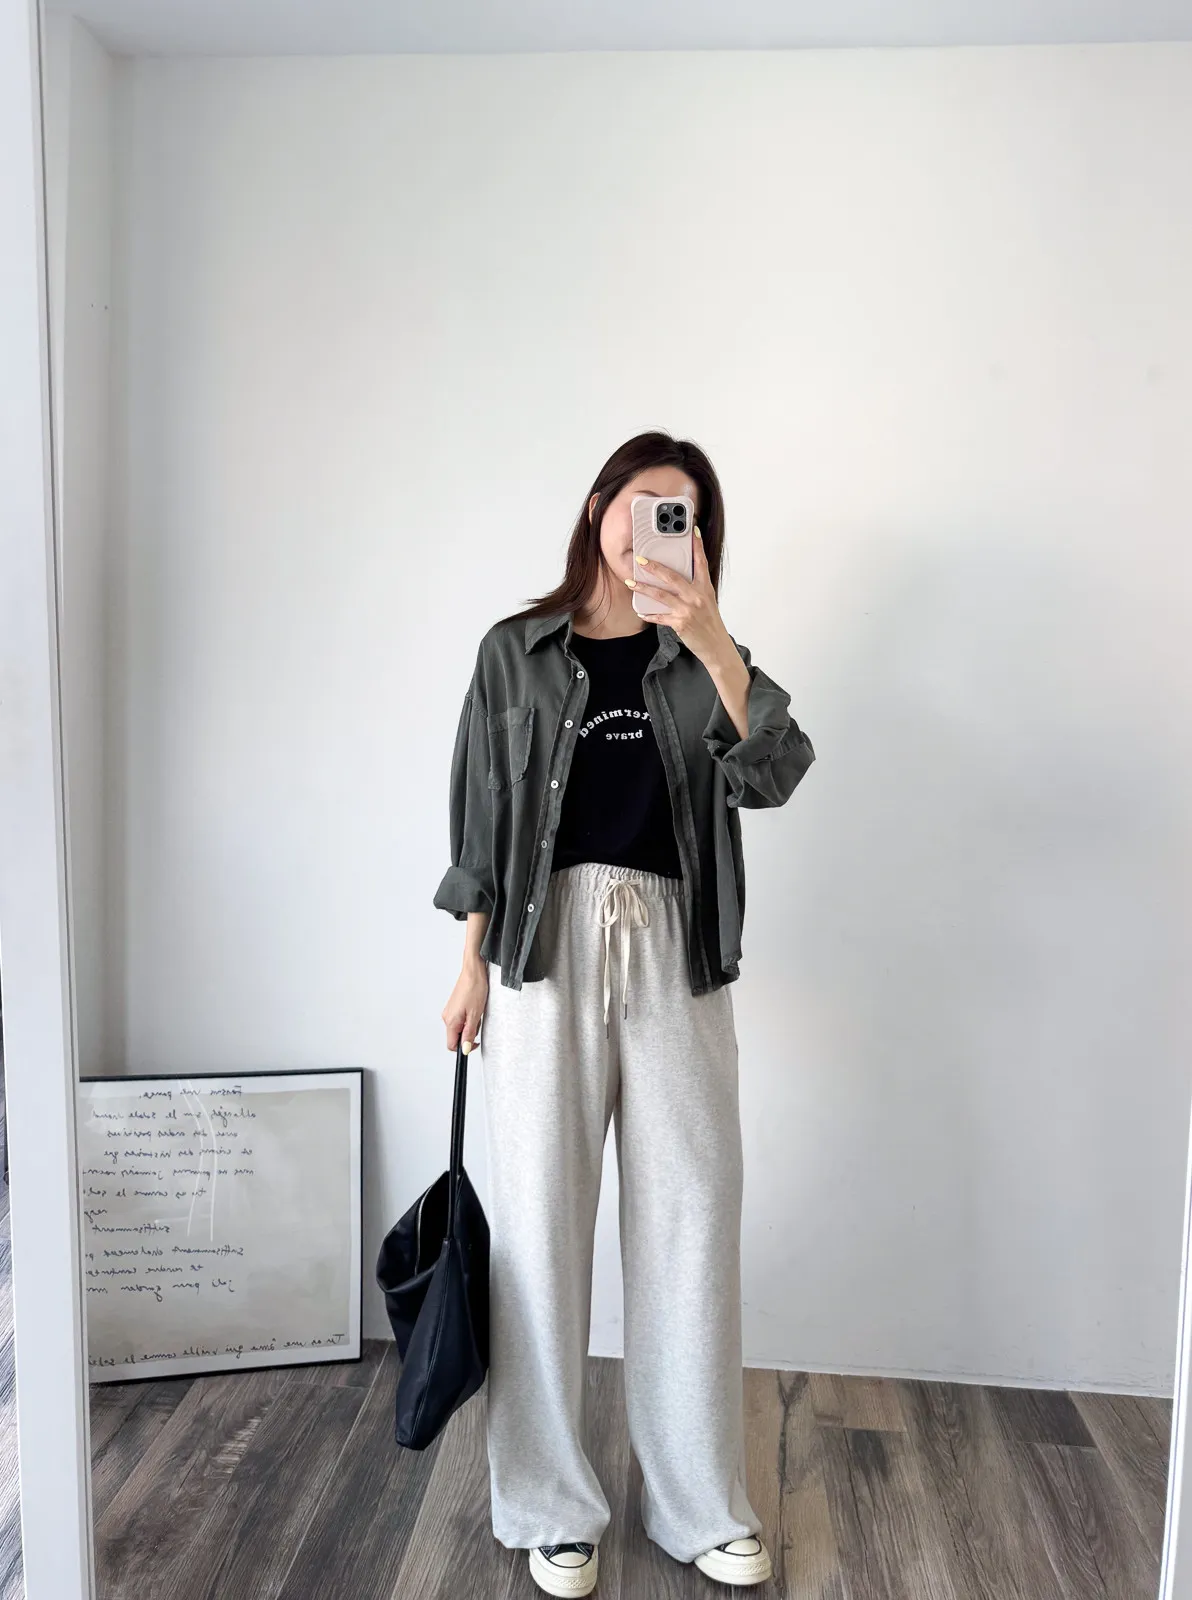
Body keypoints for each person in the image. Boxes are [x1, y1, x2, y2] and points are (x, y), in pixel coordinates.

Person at [435, 430, 815, 1596]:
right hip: (538, 950)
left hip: (675, 951)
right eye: (645, 500)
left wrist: (713, 641)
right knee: (539, 1226)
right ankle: (550, 1503)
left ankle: (698, 1501)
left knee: (691, 1219)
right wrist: (467, 964)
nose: (659, 523)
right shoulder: (514, 652)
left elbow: (778, 770)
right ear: (600, 503)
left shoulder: (706, 657)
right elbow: (480, 821)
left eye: (683, 512)